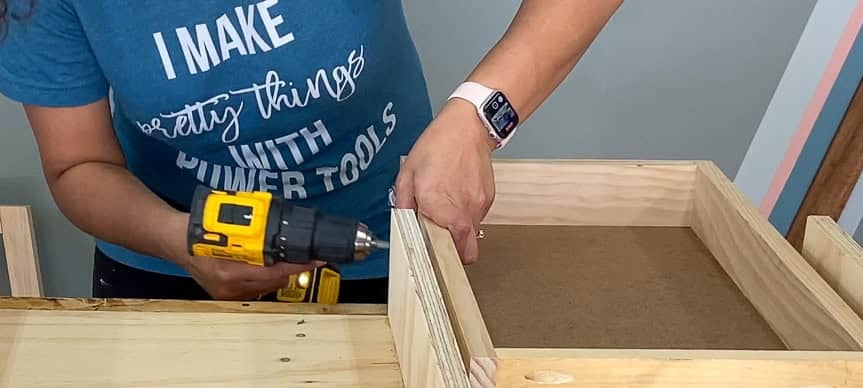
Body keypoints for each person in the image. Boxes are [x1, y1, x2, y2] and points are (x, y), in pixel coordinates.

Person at [0, 1, 622, 302]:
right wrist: (175, 239)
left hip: (386, 240)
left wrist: (478, 116)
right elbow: (77, 164)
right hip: (169, 259)